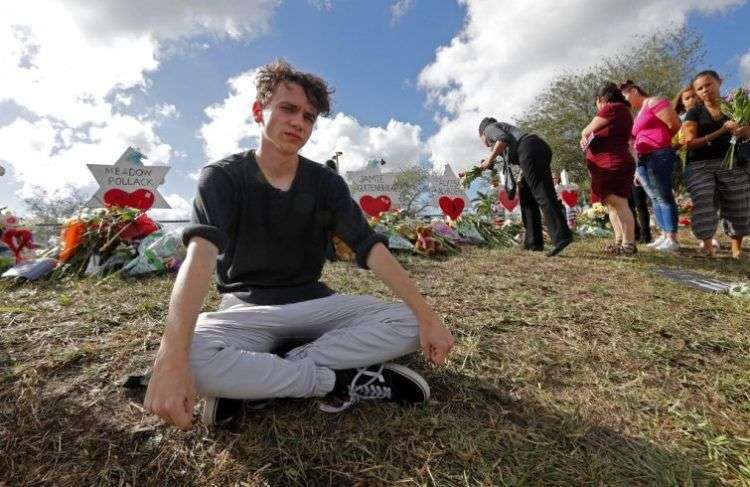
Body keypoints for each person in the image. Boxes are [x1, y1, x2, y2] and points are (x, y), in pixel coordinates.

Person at [143, 60, 455, 428]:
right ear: (259, 112)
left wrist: (428, 317)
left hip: (315, 304)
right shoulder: (223, 177)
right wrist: (170, 358)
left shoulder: (325, 183)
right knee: (187, 357)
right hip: (246, 310)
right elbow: (199, 260)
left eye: (309, 117)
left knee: (409, 321)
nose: (299, 123)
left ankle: (259, 377)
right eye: (288, 109)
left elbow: (370, 247)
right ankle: (335, 380)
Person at [478, 118, 572, 256]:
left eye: (482, 140)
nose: (485, 144)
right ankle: (533, 243)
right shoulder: (504, 132)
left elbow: (503, 139)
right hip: (536, 149)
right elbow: (513, 150)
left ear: (482, 133)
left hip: (530, 148)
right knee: (527, 196)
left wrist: (489, 159)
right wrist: (521, 174)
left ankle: (561, 236)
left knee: (542, 193)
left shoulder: (489, 128)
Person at [683, 70, 750, 259]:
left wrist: (745, 131)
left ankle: (737, 249)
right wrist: (721, 130)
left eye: (709, 84)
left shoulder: (737, 107)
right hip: (699, 165)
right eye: (700, 88)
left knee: (738, 203)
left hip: (732, 163)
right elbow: (689, 142)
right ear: (696, 93)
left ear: (719, 82)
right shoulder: (694, 113)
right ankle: (706, 246)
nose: (705, 90)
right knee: (703, 199)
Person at [620, 80, 682, 252]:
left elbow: (675, 124)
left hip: (658, 154)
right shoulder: (638, 114)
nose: (625, 100)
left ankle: (672, 238)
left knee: (664, 195)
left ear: (633, 90)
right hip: (642, 158)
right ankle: (663, 234)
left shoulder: (654, 102)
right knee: (654, 198)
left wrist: (662, 144)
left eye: (625, 94)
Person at [580, 82, 637, 255]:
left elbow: (587, 129)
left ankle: (629, 245)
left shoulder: (612, 108)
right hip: (609, 162)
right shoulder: (619, 111)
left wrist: (584, 135)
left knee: (619, 203)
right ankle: (619, 241)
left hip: (612, 162)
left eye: (596, 103)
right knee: (612, 205)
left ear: (600, 99)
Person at [672, 85, 721, 253]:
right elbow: (674, 143)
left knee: (714, 200)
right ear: (682, 102)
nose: (692, 99)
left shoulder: (712, 113)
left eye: (694, 96)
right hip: (692, 163)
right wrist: (682, 142)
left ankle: (711, 235)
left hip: (716, 161)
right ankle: (706, 239)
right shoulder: (681, 120)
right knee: (702, 200)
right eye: (687, 98)